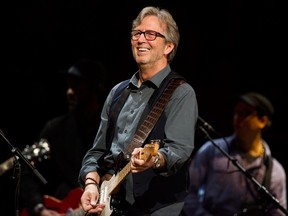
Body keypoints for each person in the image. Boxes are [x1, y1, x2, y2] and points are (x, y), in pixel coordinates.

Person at [78, 6, 198, 216]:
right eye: (137, 33)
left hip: (157, 208)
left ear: (168, 46)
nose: (141, 39)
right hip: (113, 205)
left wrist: (155, 159)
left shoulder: (181, 93)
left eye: (151, 34)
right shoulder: (117, 92)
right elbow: (96, 152)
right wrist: (90, 182)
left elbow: (179, 151)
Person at [20, 58, 107, 216]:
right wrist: (39, 208)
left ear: (95, 88)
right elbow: (29, 173)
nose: (69, 92)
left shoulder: (110, 127)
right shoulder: (54, 129)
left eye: (77, 85)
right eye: (68, 86)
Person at [182, 92, 287, 216]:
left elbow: (278, 213)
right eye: (237, 112)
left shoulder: (275, 171)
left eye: (245, 113)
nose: (238, 117)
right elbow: (187, 192)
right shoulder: (211, 150)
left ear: (262, 121)